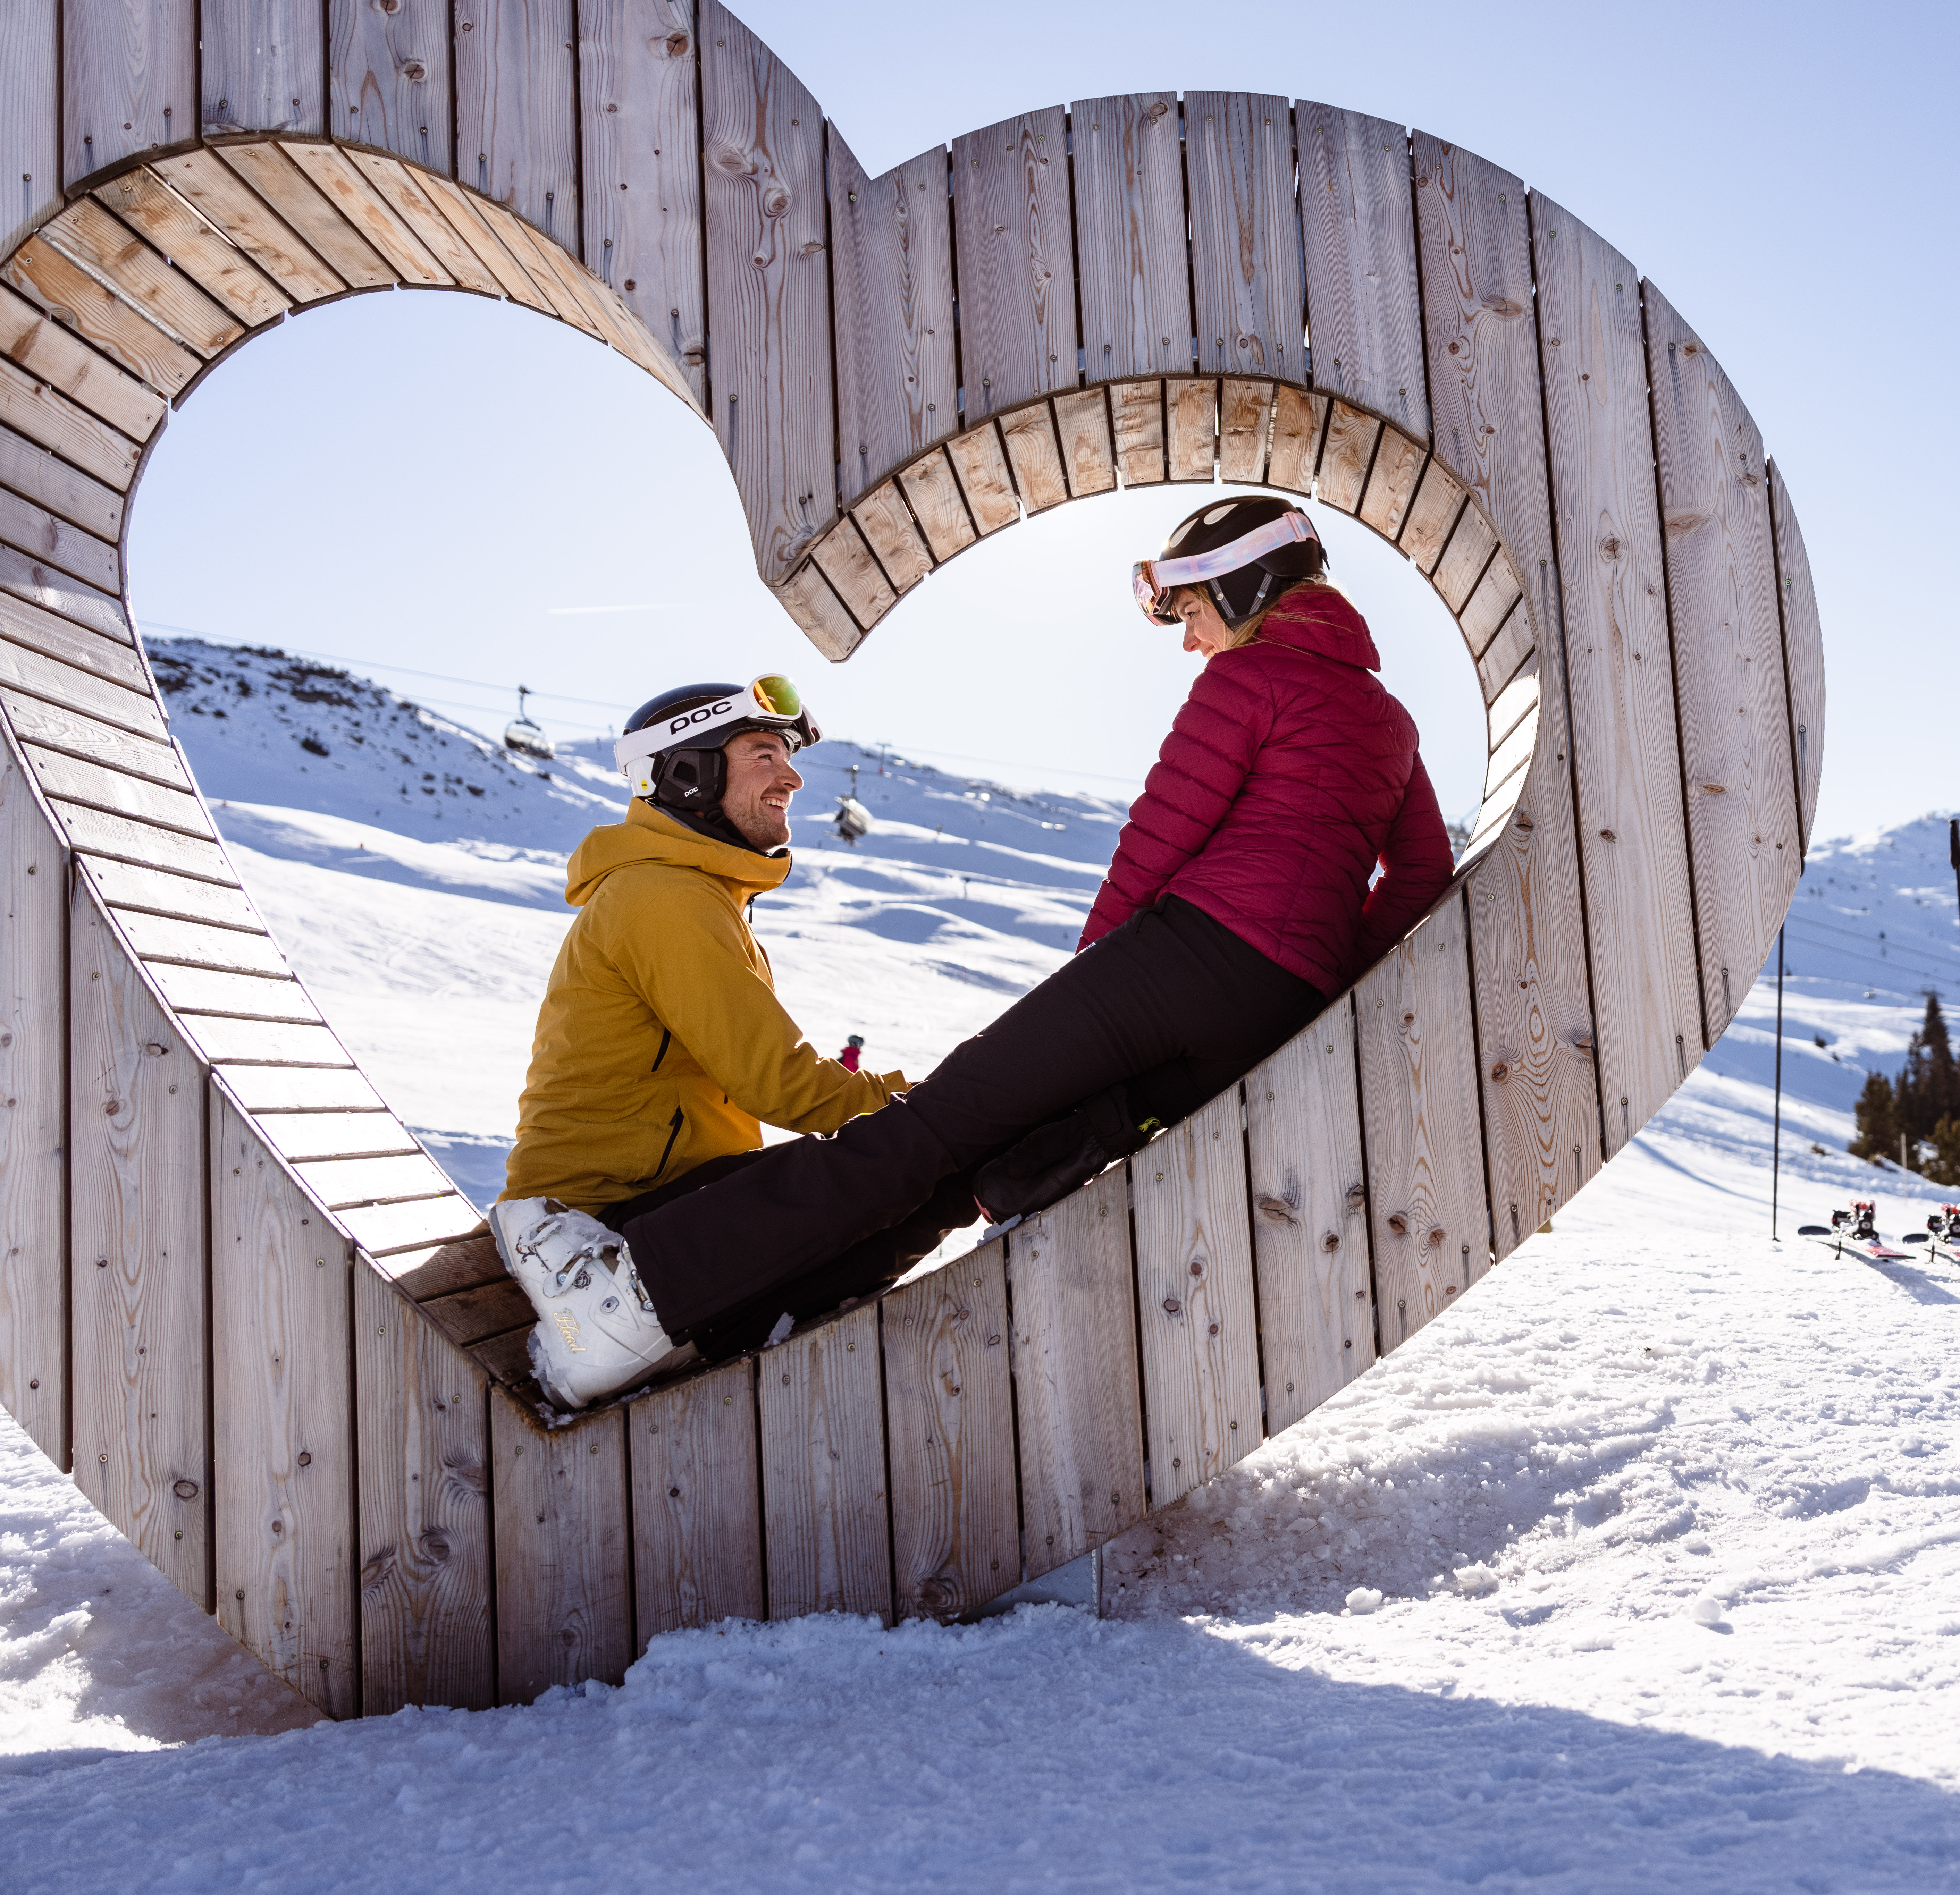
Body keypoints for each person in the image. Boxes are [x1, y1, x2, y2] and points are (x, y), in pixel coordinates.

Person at [498, 497, 1455, 1408]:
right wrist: (1312, 972)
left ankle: (642, 1303)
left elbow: (1160, 838)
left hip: (1177, 961)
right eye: (768, 757)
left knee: (935, 1132)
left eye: (1195, 611)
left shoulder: (1249, 680)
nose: (1192, 639)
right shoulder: (1393, 721)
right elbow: (1416, 881)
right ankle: (753, 1316)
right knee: (1013, 1151)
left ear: (1249, 588)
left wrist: (1097, 987)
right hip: (1277, 1005)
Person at [490, 677, 977, 1407]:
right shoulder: (663, 897)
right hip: (603, 1236)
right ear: (691, 773)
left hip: (665, 1216)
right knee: (885, 1167)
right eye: (763, 753)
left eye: (787, 755)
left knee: (930, 1187)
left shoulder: (698, 895)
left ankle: (717, 1340)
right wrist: (943, 1104)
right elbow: (787, 1088)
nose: (793, 775)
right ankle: (616, 1326)